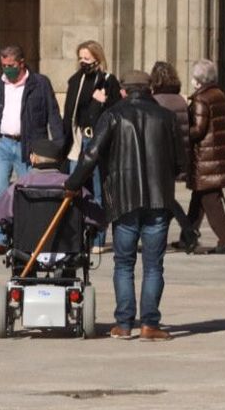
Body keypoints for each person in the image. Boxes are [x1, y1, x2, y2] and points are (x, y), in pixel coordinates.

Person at [67, 70, 187, 341]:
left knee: (124, 263)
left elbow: (91, 154)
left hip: (123, 200)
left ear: (123, 90)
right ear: (150, 90)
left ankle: (123, 324)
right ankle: (149, 324)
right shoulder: (166, 117)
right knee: (154, 265)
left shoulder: (113, 115)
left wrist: (72, 184)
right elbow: (181, 162)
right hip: (159, 199)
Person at [0, 44, 62, 256]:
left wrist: (58, 145)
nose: (7, 69)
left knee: (30, 193)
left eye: (11, 65)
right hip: (2, 143)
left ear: (22, 63)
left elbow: (53, 113)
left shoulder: (39, 83)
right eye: (4, 65)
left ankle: (31, 238)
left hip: (28, 145)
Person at [63, 42, 121, 251]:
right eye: (80, 58)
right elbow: (71, 114)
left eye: (87, 58)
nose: (83, 62)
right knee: (74, 187)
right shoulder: (76, 81)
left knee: (98, 190)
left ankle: (98, 239)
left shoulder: (108, 81)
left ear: (97, 58)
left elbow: (116, 111)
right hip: (79, 141)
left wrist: (102, 102)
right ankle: (76, 235)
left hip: (97, 141)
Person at [0, 137, 104, 239]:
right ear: (59, 161)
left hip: (28, 247)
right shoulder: (72, 185)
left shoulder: (20, 186)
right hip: (68, 248)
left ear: (33, 159)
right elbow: (98, 217)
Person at [184, 59, 225, 255]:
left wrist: (182, 130)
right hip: (215, 157)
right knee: (198, 199)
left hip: (206, 159)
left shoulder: (201, 99)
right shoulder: (218, 94)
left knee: (210, 201)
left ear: (199, 80)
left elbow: (198, 130)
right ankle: (188, 236)